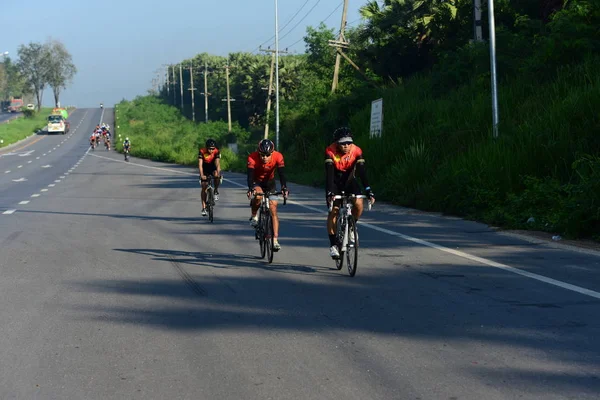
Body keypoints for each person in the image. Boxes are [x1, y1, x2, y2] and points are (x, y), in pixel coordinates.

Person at [325, 127, 375, 259]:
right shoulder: (330, 151)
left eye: (349, 142)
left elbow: (362, 172)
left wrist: (368, 190)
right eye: (343, 143)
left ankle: (352, 226)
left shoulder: (356, 151)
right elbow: (329, 174)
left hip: (349, 181)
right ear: (336, 143)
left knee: (359, 203)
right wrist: (330, 192)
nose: (346, 146)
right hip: (334, 182)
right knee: (334, 211)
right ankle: (333, 245)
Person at [247, 139, 289, 251]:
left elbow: (281, 174)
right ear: (258, 152)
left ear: (272, 153)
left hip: (270, 183)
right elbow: (250, 175)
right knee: (258, 196)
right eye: (262, 155)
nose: (264, 157)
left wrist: (284, 187)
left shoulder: (278, 156)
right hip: (257, 181)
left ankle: (275, 240)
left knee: (273, 209)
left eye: (267, 155)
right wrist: (251, 188)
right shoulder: (252, 157)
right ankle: (254, 215)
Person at [198, 138, 222, 216]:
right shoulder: (202, 151)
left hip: (212, 167)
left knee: (216, 175)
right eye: (209, 149)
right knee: (204, 186)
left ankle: (216, 190)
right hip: (205, 169)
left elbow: (218, 164)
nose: (211, 150)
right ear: (206, 147)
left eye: (212, 149)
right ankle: (204, 208)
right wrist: (202, 175)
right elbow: (200, 165)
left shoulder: (216, 151)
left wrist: (218, 173)